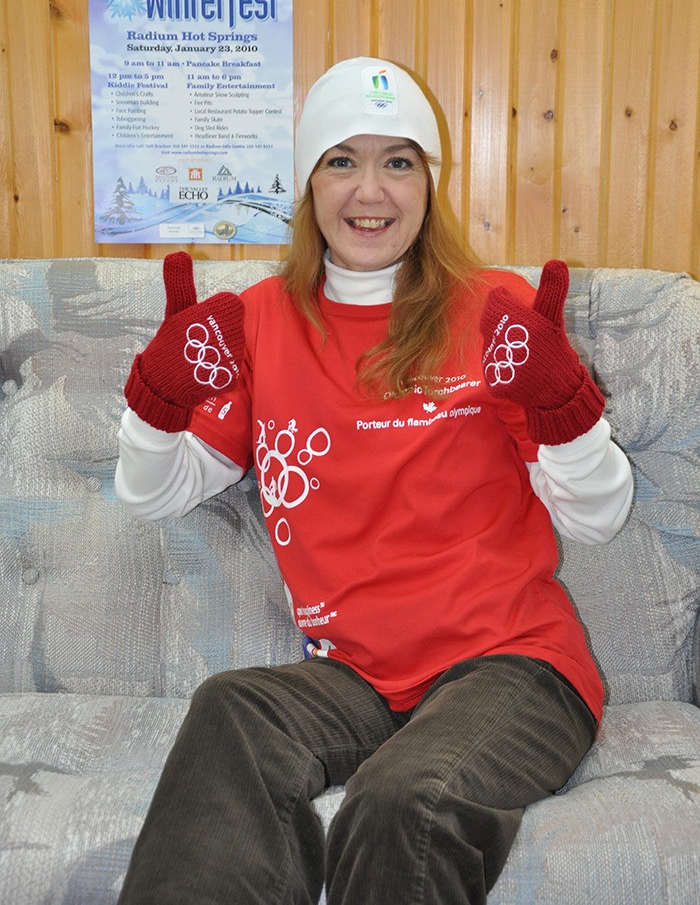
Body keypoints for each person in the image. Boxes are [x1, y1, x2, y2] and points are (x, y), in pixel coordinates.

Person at [115, 56, 633, 905]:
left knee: (401, 802)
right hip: (353, 676)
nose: (371, 189)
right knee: (230, 710)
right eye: (341, 159)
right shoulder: (259, 323)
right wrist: (158, 401)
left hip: (511, 665)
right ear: (310, 183)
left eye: (398, 160)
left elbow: (602, 515)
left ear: (428, 184)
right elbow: (152, 493)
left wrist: (562, 406)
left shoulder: (492, 311)